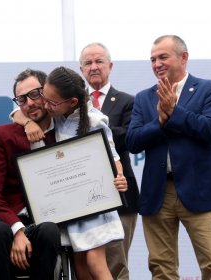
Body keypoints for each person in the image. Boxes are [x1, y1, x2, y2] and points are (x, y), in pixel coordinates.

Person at [126, 35, 211, 279]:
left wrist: (175, 111)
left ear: (184, 57)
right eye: (152, 59)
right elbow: (133, 141)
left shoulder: (209, 89)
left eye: (163, 57)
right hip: (157, 194)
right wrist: (160, 122)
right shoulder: (144, 97)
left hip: (201, 191)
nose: (157, 64)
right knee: (161, 269)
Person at [40, 66, 128, 280]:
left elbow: (113, 155)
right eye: (44, 96)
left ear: (72, 102)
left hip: (95, 204)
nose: (45, 104)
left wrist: (119, 177)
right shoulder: (54, 115)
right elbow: (18, 113)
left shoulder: (94, 120)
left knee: (95, 262)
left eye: (52, 102)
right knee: (79, 265)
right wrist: (26, 123)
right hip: (71, 207)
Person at [0, 68, 61, 280]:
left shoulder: (64, 132)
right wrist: (17, 230)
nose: (30, 103)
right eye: (22, 99)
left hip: (44, 222)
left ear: (48, 93)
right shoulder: (0, 136)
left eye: (35, 94)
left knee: (50, 230)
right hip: (5, 222)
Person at [79, 42, 139, 280]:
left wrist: (92, 131)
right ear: (81, 69)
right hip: (82, 197)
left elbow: (128, 137)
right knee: (83, 266)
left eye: (99, 61)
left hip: (121, 193)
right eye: (88, 63)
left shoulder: (127, 101)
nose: (94, 67)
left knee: (116, 265)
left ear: (110, 66)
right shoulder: (73, 103)